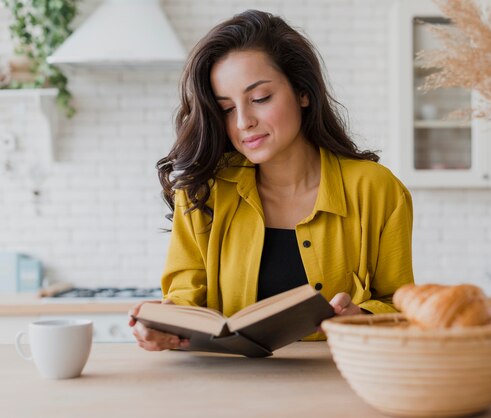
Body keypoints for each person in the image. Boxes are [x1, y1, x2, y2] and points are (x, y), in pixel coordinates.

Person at [128, 9, 414, 351]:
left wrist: (362, 316)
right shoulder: (202, 192)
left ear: (303, 92)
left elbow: (401, 304)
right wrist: (164, 324)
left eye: (260, 98)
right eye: (226, 108)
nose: (243, 121)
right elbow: (184, 298)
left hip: (339, 386)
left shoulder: (376, 189)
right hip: (227, 390)